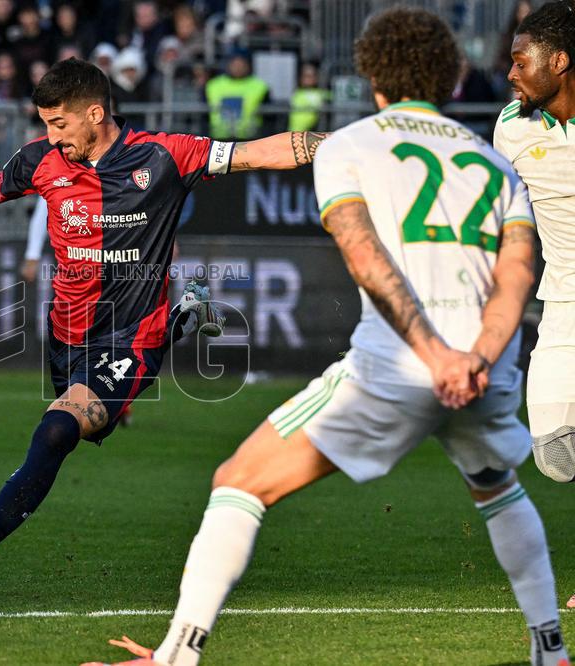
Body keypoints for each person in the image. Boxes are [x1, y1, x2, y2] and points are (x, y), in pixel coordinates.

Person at [83, 8, 568, 666]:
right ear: (449, 78)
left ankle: (175, 654)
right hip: (486, 366)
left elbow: (365, 259)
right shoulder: (492, 159)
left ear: (371, 74)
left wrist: (433, 357)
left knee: (238, 482)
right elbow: (516, 274)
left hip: (399, 365)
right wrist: (477, 358)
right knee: (496, 484)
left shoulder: (349, 146)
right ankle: (550, 648)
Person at [0, 56, 326, 598]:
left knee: (57, 430)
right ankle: (188, 316)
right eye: (44, 124)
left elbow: (257, 152)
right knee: (67, 421)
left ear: (95, 112)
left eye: (58, 124)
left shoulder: (163, 155)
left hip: (132, 333)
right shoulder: (40, 161)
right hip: (67, 334)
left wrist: (345, 145)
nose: (50, 136)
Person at [493, 0, 575, 604]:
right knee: (553, 452)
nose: (512, 74)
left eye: (521, 63)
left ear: (561, 62)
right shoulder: (512, 128)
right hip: (564, 305)